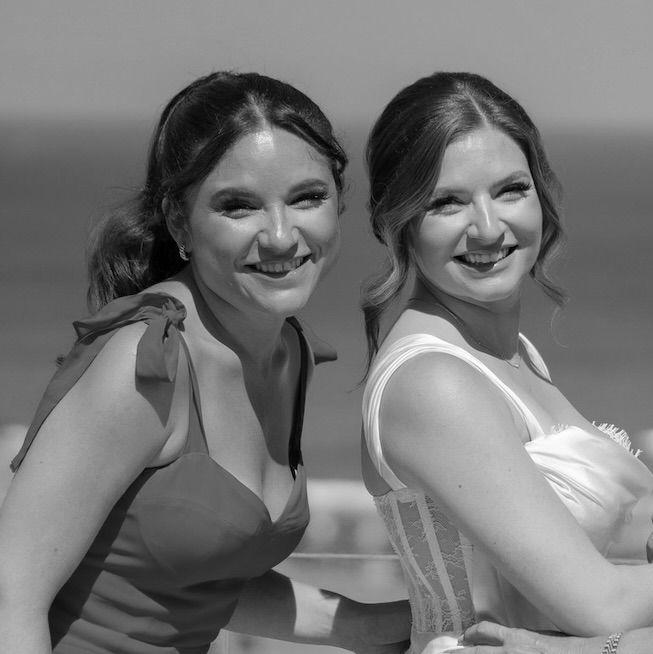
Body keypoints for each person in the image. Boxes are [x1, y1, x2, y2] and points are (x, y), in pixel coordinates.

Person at [0, 71, 410, 653]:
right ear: (178, 221)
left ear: (339, 202)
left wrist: (383, 625)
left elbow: (196, 580)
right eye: (238, 206)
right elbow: (10, 598)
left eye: (307, 198)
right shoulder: (147, 363)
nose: (280, 236)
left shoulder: (287, 351)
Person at [359, 72, 653, 654]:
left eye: (511, 190)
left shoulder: (510, 354)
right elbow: (602, 607)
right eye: (447, 202)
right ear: (399, 221)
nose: (489, 228)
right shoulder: (433, 382)